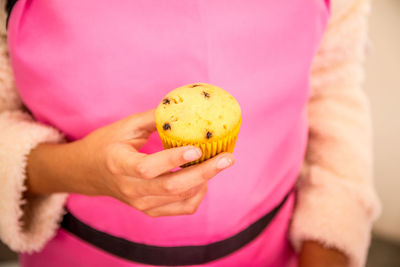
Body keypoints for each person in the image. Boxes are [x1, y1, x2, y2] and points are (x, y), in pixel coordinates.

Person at [0, 0, 380, 266]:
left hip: (274, 252)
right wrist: (77, 169)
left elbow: (332, 88)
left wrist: (329, 248)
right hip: (78, 255)